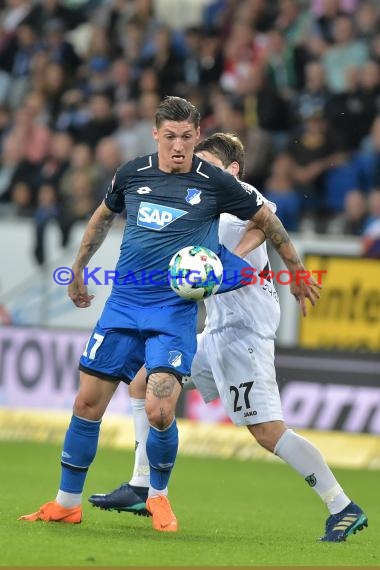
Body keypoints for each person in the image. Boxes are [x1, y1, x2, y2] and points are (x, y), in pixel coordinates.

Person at [18, 97, 317, 533]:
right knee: (86, 403)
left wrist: (295, 267)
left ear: (197, 138)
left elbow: (266, 219)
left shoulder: (213, 182)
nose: (178, 145)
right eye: (170, 136)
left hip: (172, 312)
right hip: (122, 305)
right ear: (156, 134)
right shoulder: (132, 173)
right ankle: (66, 502)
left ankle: (157, 497)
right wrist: (80, 267)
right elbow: (103, 216)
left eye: (187, 137)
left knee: (160, 408)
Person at [89, 133, 368, 543]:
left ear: (233, 169)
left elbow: (266, 218)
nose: (198, 169)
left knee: (268, 432)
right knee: (145, 379)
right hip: (214, 331)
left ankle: (342, 506)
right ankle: (142, 485)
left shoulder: (242, 194)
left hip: (245, 333)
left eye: (207, 161)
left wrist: (229, 257)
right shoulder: (203, 200)